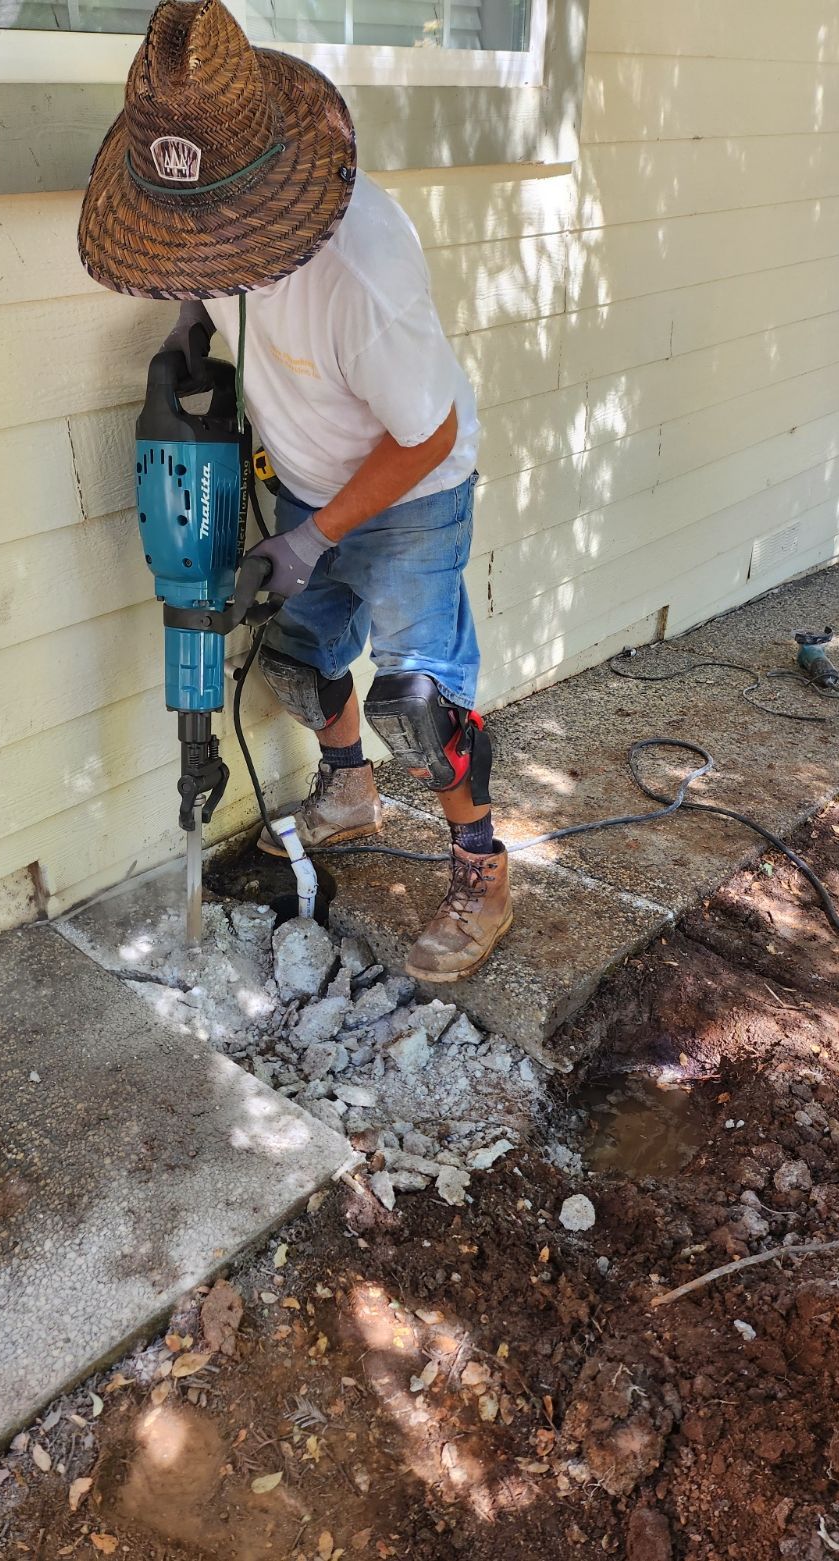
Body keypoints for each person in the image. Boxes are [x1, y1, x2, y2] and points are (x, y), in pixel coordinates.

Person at [78, 0, 513, 982]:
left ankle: (481, 871)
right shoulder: (216, 222)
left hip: (408, 495)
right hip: (305, 480)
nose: (199, 250)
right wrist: (191, 314)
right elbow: (202, 251)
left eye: (209, 243)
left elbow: (429, 434)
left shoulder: (360, 276)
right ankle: (350, 793)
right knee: (294, 661)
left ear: (266, 200)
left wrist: (314, 539)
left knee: (420, 704)